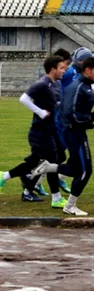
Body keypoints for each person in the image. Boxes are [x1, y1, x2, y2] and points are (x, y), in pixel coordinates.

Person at [32, 56, 94, 216]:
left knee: (77, 168)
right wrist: (89, 118)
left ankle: (48, 167)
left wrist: (88, 119)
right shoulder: (78, 87)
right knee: (85, 171)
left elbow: (75, 111)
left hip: (75, 131)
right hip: (73, 133)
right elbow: (69, 113)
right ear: (87, 70)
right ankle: (70, 206)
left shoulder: (84, 86)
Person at [0, 55, 67, 208]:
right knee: (51, 163)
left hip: (51, 130)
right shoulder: (42, 84)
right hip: (40, 131)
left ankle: (5, 176)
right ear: (52, 69)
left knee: (41, 161)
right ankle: (55, 198)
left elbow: (56, 103)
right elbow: (23, 98)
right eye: (62, 68)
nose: (64, 70)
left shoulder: (56, 84)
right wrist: (40, 112)